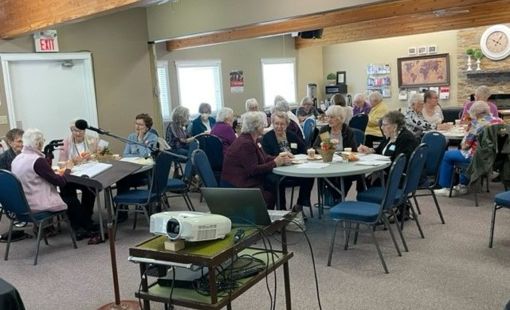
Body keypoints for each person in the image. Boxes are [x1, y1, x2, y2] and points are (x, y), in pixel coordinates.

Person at [11, 129, 98, 241]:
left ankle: (83, 225)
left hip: (23, 203)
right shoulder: (36, 160)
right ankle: (82, 227)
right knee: (71, 200)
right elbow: (59, 181)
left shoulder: (17, 159)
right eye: (42, 141)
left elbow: (41, 172)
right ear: (38, 143)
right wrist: (68, 169)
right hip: (38, 203)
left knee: (68, 189)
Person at [221, 111, 293, 208]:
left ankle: (278, 212)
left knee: (274, 181)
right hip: (238, 185)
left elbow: (264, 157)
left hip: (243, 179)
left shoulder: (253, 139)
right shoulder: (246, 144)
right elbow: (253, 170)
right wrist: (275, 163)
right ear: (256, 127)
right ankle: (268, 216)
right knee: (273, 184)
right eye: (263, 124)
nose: (265, 125)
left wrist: (280, 157)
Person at [434, 101, 504, 197]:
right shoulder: (499, 121)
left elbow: (465, 145)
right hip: (493, 158)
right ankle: (463, 184)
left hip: (477, 157)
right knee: (462, 154)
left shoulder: (477, 124)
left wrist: (466, 137)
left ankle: (447, 187)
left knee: (448, 155)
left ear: (477, 114)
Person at [261, 111, 314, 209]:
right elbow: (266, 157)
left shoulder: (291, 135)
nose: (279, 127)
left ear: (287, 125)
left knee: (309, 176)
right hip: (277, 171)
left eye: (282, 124)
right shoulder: (267, 138)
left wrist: (309, 152)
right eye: (276, 124)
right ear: (272, 124)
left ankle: (299, 205)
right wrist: (282, 158)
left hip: (295, 170)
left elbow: (303, 149)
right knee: (277, 181)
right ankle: (282, 210)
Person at [313, 106, 358, 199]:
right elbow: (316, 147)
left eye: (332, 117)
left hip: (344, 163)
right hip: (328, 162)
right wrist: (326, 145)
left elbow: (353, 150)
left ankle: (337, 198)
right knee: (327, 177)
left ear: (340, 118)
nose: (329, 120)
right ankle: (337, 198)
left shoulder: (347, 131)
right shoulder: (325, 130)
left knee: (347, 177)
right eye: (328, 117)